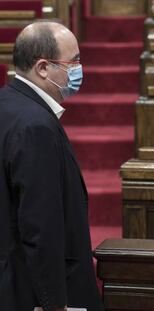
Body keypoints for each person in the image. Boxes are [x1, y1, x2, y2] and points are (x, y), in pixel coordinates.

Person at [0, 22, 103, 310]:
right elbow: (40, 224)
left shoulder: (7, 103)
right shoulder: (35, 126)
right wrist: (54, 302)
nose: (79, 69)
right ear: (43, 67)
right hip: (32, 291)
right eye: (75, 61)